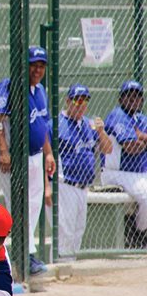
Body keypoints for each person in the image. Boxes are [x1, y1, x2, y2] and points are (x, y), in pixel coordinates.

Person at [0, 46, 56, 275]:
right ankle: (21, 256)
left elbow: (43, 125)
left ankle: (25, 254)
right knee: (18, 206)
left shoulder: (39, 91)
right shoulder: (9, 86)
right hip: (12, 159)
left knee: (33, 205)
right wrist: (4, 150)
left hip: (36, 156)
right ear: (24, 65)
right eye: (34, 65)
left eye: (41, 66)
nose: (38, 70)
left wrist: (48, 153)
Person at [45, 84, 112, 260]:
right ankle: (59, 267)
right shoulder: (56, 123)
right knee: (64, 232)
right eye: (78, 100)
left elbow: (108, 149)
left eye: (85, 101)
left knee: (77, 232)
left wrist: (101, 131)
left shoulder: (89, 125)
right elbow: (45, 155)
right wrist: (47, 186)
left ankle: (70, 269)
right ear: (68, 101)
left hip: (83, 187)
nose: (81, 105)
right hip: (63, 184)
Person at [101, 80, 147, 246]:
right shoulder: (118, 115)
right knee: (146, 196)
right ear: (121, 99)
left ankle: (138, 228)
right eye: (129, 96)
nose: (133, 99)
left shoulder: (141, 118)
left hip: (139, 174)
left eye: (137, 96)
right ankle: (140, 233)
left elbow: (138, 143)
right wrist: (139, 140)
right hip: (117, 173)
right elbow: (131, 147)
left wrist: (141, 137)